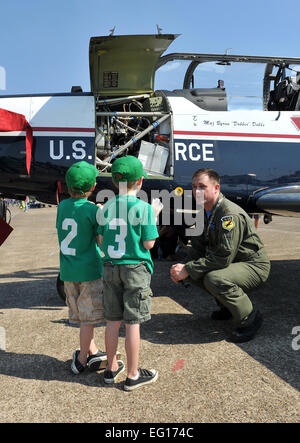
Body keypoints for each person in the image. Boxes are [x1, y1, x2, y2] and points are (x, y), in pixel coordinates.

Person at [170, 168, 271, 343]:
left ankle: (250, 318)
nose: (197, 191)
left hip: (253, 265)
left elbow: (223, 256)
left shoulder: (228, 214)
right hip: (234, 263)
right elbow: (197, 248)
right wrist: (182, 268)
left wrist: (188, 268)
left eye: (202, 187)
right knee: (192, 275)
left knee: (214, 279)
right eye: (194, 187)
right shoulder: (205, 211)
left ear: (216, 188)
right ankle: (228, 307)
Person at [98, 155, 160, 391]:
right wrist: (154, 216)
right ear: (141, 181)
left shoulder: (107, 206)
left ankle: (111, 368)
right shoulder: (143, 208)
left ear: (114, 181)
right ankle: (133, 374)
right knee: (133, 323)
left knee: (112, 321)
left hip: (110, 266)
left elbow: (102, 239)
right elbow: (149, 244)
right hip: (135, 268)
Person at [56, 161, 107, 374]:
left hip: (68, 272)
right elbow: (100, 241)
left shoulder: (62, 206)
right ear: (93, 187)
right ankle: (82, 360)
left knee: (81, 317)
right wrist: (101, 215)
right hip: (89, 271)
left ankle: (92, 350)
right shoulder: (92, 210)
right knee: (88, 319)